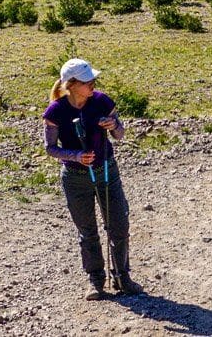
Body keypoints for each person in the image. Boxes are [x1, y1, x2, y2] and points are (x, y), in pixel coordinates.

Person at [43, 57, 142, 299]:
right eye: (88, 82)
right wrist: (75, 155)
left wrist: (113, 126)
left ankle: (122, 277)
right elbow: (50, 147)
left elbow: (120, 134)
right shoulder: (56, 110)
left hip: (107, 170)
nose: (93, 85)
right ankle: (96, 281)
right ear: (72, 84)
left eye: (93, 80)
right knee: (87, 231)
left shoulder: (102, 101)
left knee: (119, 224)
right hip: (75, 178)